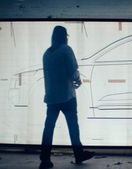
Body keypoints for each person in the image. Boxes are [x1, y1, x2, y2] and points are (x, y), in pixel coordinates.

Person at [39, 26, 94, 169]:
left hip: (51, 97)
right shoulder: (65, 50)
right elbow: (73, 70)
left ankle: (45, 159)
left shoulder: (47, 53)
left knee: (48, 128)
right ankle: (78, 154)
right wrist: (78, 80)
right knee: (73, 127)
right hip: (67, 96)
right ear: (64, 36)